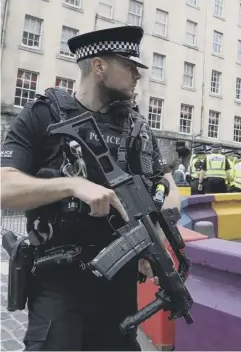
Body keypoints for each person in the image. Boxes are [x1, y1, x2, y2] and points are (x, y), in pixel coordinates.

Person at [0, 26, 180, 351]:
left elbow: (167, 185)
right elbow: (4, 186)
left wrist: (156, 241)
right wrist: (71, 185)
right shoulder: (43, 115)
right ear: (99, 66)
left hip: (120, 284)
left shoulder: (136, 128)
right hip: (59, 282)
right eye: (129, 65)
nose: (138, 75)